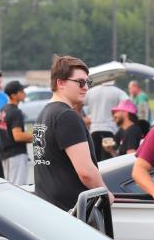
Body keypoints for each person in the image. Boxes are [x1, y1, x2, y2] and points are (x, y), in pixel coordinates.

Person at [33, 55, 112, 211]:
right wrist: (106, 193)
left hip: (47, 209)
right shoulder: (66, 116)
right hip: (70, 213)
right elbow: (85, 172)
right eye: (80, 82)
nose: (85, 87)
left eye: (87, 82)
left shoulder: (44, 114)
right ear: (60, 82)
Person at [0, 80, 33, 184]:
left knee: (10, 187)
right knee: (18, 187)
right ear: (13, 95)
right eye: (21, 91)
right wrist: (37, 136)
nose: (24, 93)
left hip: (4, 154)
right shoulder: (16, 111)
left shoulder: (3, 109)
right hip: (16, 154)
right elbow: (18, 136)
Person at [83, 81, 128, 162]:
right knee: (108, 161)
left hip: (94, 130)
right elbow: (127, 104)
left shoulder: (91, 91)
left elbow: (78, 103)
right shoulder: (118, 92)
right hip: (110, 130)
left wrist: (82, 118)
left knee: (95, 160)